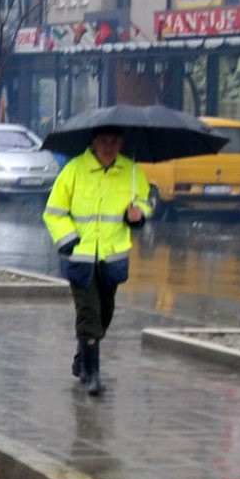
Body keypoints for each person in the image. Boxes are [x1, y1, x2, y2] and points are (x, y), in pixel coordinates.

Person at [44, 126, 150, 396]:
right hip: (80, 256)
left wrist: (139, 214)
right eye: (104, 141)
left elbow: (145, 202)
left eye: (114, 141)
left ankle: (82, 356)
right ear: (94, 142)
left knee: (105, 314)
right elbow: (54, 211)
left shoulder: (132, 172)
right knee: (89, 313)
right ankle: (93, 374)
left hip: (112, 258)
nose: (109, 146)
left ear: (121, 143)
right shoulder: (75, 170)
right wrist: (68, 239)